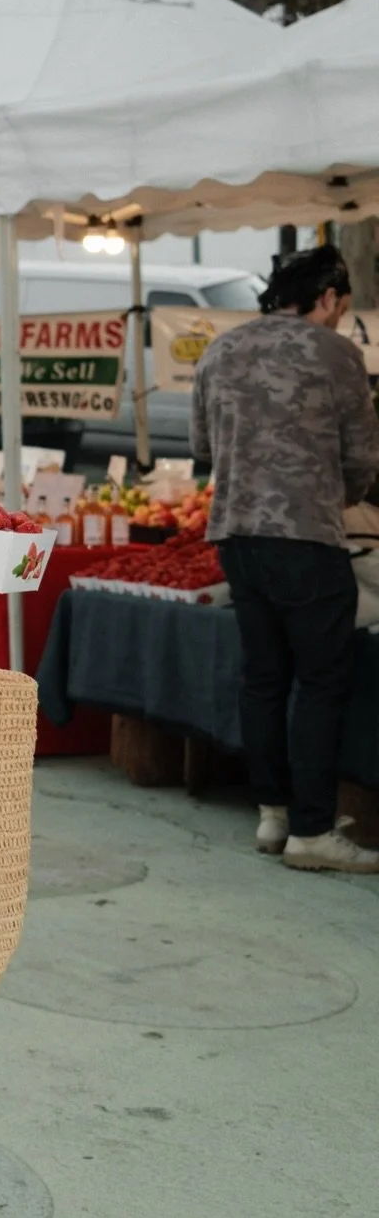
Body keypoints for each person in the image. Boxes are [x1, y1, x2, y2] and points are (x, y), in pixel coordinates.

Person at [192, 244, 379, 874]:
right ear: (328, 296)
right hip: (306, 535)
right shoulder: (336, 353)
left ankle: (273, 815)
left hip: (235, 534)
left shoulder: (220, 349)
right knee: (322, 681)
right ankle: (313, 829)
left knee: (264, 677)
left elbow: (201, 445)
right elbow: (362, 459)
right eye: (340, 307)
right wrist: (342, 495)